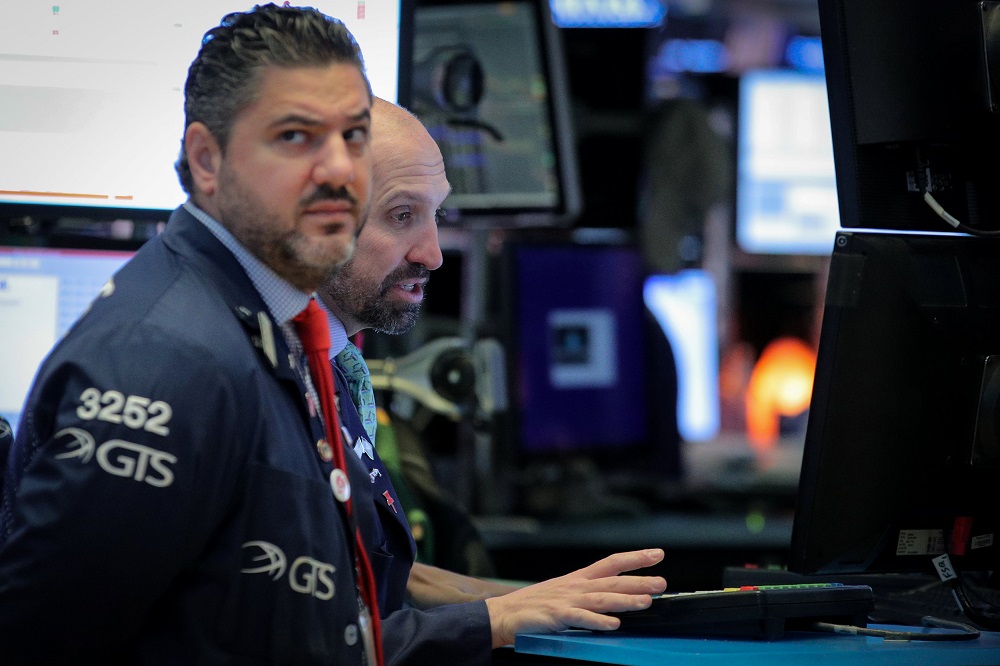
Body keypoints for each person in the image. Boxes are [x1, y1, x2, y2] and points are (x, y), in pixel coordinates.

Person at [0, 5, 380, 663]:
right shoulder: (166, 360)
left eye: (355, 135)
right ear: (207, 159)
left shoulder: (280, 324)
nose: (340, 170)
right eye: (296, 136)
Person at [318, 98, 668, 664]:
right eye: (403, 215)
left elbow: (360, 571)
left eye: (437, 217)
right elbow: (312, 634)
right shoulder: (267, 371)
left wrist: (533, 598)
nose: (433, 255)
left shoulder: (334, 362)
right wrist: (496, 617)